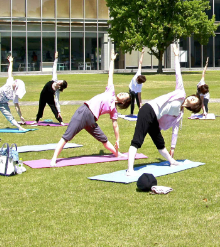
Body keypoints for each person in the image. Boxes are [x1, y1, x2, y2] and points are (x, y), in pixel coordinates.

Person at [126, 43, 202, 175]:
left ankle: (171, 161)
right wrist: (176, 56)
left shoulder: (179, 114)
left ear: (193, 107)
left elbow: (175, 132)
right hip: (148, 110)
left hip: (154, 118)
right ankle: (130, 169)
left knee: (160, 143)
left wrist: (173, 147)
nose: (192, 98)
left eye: (195, 100)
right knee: (137, 140)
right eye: (193, 97)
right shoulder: (180, 93)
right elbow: (178, 75)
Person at [50, 52, 131, 167]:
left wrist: (117, 140)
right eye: (123, 93)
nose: (122, 93)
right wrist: (112, 60)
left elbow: (115, 125)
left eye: (124, 96)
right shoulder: (110, 91)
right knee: (67, 136)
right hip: (84, 112)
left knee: (104, 139)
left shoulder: (114, 109)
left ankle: (117, 154)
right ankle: (54, 159)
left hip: (92, 120)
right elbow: (110, 75)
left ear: (123, 102)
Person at [0, 56, 27, 131]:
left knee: (9, 116)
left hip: (3, 103)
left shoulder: (15, 94)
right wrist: (11, 62)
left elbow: (16, 106)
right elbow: (10, 72)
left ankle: (19, 127)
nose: (14, 83)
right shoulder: (10, 81)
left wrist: (20, 116)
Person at [32, 52, 68, 125]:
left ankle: (61, 121)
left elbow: (57, 101)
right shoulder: (54, 79)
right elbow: (54, 68)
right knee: (41, 109)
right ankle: (36, 120)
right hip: (43, 95)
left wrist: (59, 112)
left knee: (54, 109)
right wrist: (56, 59)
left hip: (49, 98)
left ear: (60, 86)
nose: (59, 81)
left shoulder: (57, 91)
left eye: (60, 82)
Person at [128, 50, 147, 115]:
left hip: (135, 91)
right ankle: (131, 113)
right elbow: (140, 63)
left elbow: (139, 97)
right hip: (131, 89)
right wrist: (142, 54)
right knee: (132, 102)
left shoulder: (139, 86)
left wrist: (141, 104)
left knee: (138, 103)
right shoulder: (138, 74)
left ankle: (141, 113)